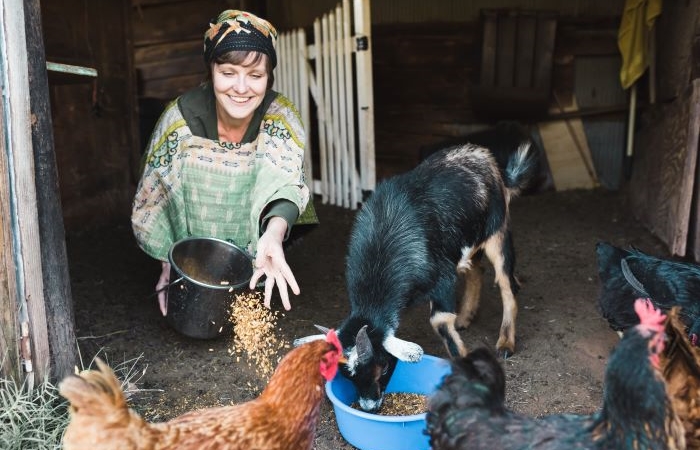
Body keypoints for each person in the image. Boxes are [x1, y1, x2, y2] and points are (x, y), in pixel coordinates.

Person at [132, 9, 316, 316]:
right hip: (192, 237)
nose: (241, 88)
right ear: (211, 71)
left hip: (263, 226)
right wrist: (168, 262)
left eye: (255, 75)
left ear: (269, 77)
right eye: (228, 73)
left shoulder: (280, 114)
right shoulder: (180, 117)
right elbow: (158, 191)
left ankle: (261, 257)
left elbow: (285, 180)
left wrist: (273, 236)